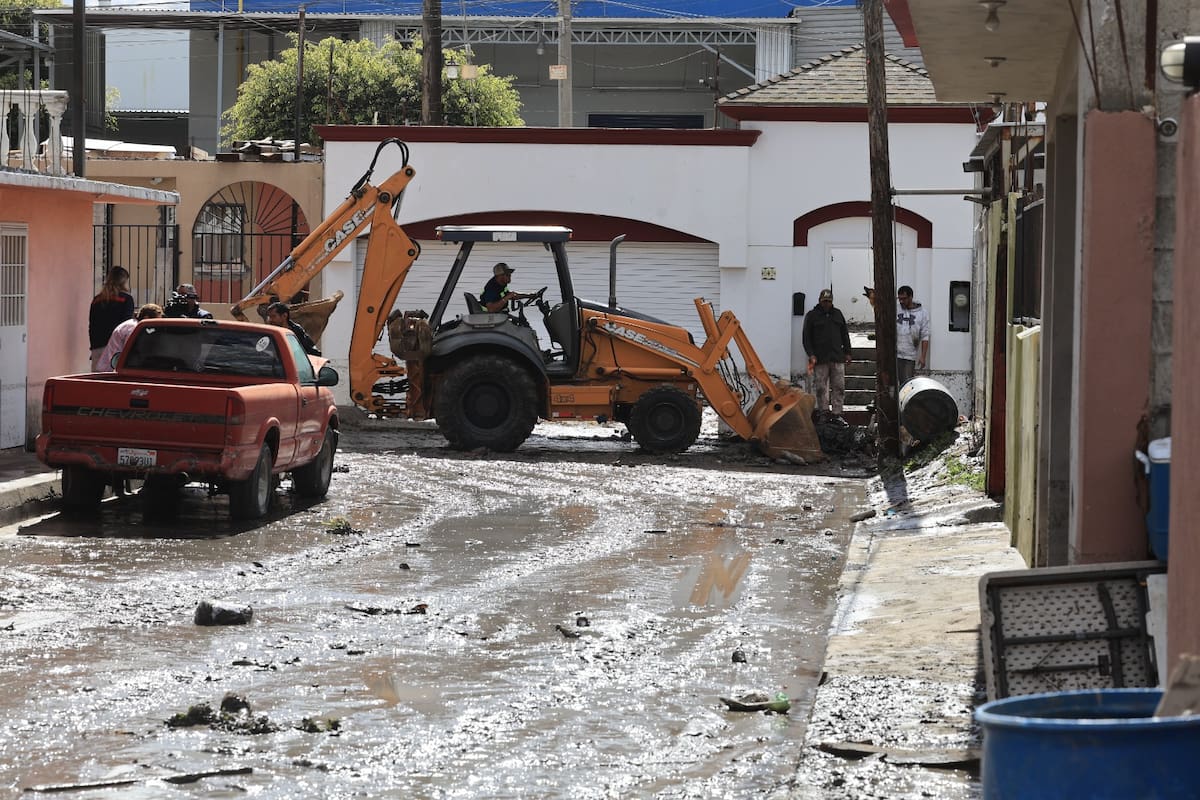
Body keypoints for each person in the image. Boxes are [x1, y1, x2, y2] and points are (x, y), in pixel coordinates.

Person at [802, 288, 853, 423]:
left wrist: (848, 352)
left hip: (837, 356)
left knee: (839, 386)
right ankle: (823, 412)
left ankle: (837, 413)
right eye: (824, 301)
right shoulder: (812, 316)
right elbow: (806, 337)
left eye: (829, 302)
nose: (826, 304)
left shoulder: (838, 314)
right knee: (821, 387)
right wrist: (811, 354)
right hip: (820, 358)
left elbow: (844, 334)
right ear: (819, 301)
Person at [88, 266, 135, 370]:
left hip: (98, 346)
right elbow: (126, 326)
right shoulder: (126, 299)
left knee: (97, 383)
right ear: (124, 281)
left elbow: (92, 325)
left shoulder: (97, 300)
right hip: (116, 348)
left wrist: (93, 347)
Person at [96, 303, 164, 373]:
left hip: (111, 367)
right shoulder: (133, 328)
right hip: (111, 369)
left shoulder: (132, 324)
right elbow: (131, 351)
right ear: (146, 318)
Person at [896, 284, 930, 387]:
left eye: (904, 299)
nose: (901, 301)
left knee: (907, 384)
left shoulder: (922, 313)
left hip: (909, 355)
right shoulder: (896, 309)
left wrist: (923, 356)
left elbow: (925, 335)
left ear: (911, 297)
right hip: (895, 353)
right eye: (899, 299)